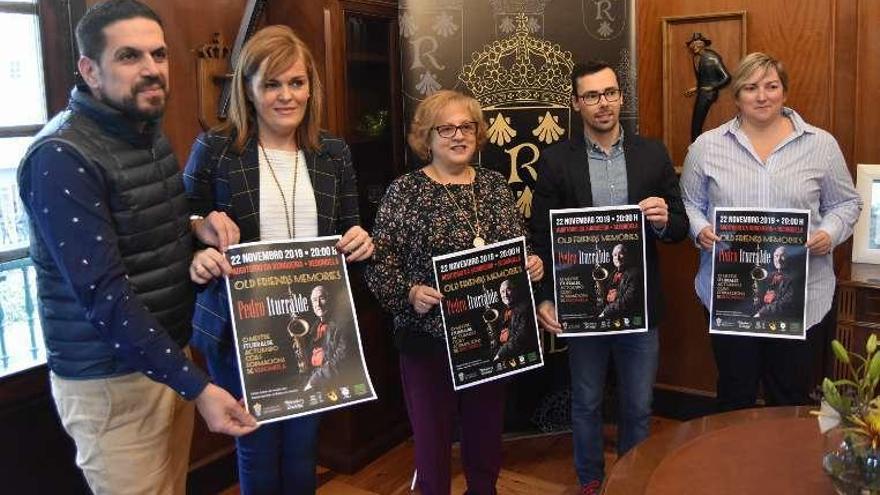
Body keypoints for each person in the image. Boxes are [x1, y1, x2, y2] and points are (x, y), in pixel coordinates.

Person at [16, 1, 257, 493]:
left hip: (164, 358)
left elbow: (141, 227)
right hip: (111, 382)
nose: (151, 70)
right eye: (129, 56)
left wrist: (195, 226)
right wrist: (198, 385)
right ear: (90, 69)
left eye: (159, 54)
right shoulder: (60, 157)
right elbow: (105, 296)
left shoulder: (144, 131)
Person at [183, 25, 374, 495]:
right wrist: (199, 245)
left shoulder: (332, 152)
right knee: (257, 443)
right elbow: (180, 226)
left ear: (311, 86)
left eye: (296, 82)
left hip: (314, 322)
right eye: (271, 84)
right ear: (247, 90)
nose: (286, 95)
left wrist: (361, 241)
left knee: (304, 444)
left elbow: (351, 226)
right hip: (241, 324)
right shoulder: (217, 149)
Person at [365, 89, 544, 495]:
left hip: (491, 337)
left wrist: (531, 262)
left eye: (466, 126)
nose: (458, 135)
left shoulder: (495, 186)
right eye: (445, 128)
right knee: (432, 442)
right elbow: (379, 264)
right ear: (426, 137)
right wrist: (410, 293)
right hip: (427, 340)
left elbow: (519, 246)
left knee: (485, 436)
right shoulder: (405, 192)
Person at [530, 60, 688, 495]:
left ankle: (632, 480)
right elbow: (541, 237)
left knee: (639, 405)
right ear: (576, 103)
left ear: (621, 97)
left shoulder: (652, 153)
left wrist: (661, 220)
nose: (604, 104)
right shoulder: (556, 162)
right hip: (583, 308)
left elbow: (679, 228)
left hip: (640, 307)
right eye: (593, 96)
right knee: (586, 402)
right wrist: (545, 299)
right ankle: (589, 479)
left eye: (611, 93)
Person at [680, 52, 862, 413]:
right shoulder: (706, 147)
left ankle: (784, 470)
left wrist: (829, 232)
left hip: (801, 296)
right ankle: (734, 468)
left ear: (784, 91)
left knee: (790, 396)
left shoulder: (821, 145)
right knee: (735, 393)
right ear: (736, 96)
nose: (761, 96)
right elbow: (687, 203)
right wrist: (699, 229)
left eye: (771, 86)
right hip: (730, 295)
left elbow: (847, 204)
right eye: (750, 87)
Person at [684, 32, 731, 142]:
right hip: (702, 92)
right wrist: (696, 88)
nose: (694, 47)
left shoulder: (711, 57)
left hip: (708, 94)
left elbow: (726, 77)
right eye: (692, 45)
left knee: (697, 122)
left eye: (697, 44)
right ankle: (695, 145)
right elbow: (706, 77)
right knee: (696, 122)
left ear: (703, 45)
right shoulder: (696, 58)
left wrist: (711, 87)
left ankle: (696, 145)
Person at [304, 284, 351, 391]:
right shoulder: (313, 328)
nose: (318, 304)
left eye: (322, 298)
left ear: (330, 300)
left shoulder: (343, 324)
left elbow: (340, 360)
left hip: (329, 381)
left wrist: (314, 380)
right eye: (314, 300)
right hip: (313, 375)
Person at [494, 278, 537, 361]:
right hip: (505, 351)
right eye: (502, 292)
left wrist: (500, 353)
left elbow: (521, 338)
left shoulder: (525, 309)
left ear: (515, 291)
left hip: (520, 355)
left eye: (508, 290)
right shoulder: (504, 312)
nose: (505, 294)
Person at [598, 243, 642, 320]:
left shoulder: (634, 273)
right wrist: (600, 285)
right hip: (609, 312)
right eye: (615, 255)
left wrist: (606, 311)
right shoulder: (612, 274)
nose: (617, 258)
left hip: (622, 316)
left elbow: (627, 300)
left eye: (620, 254)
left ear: (626, 255)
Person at [753, 246, 795, 319]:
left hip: (778, 319)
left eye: (782, 256)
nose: (778, 259)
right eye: (776, 256)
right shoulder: (770, 275)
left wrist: (762, 312)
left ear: (788, 258)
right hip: (762, 315)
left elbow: (785, 303)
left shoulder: (793, 278)